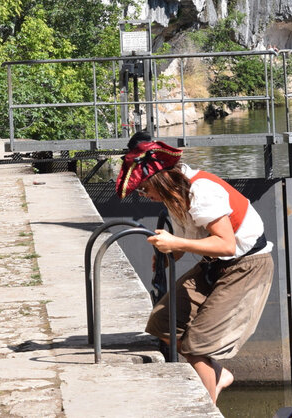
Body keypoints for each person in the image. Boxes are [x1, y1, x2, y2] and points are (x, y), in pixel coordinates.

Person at [115, 132, 273, 404]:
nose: (144, 195)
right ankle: (219, 375)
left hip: (246, 266)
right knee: (163, 322)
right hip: (214, 265)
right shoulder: (174, 198)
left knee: (196, 345)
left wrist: (177, 242)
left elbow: (225, 245)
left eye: (144, 189)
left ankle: (206, 406)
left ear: (159, 182)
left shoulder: (201, 190)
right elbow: (189, 240)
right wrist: (167, 253)